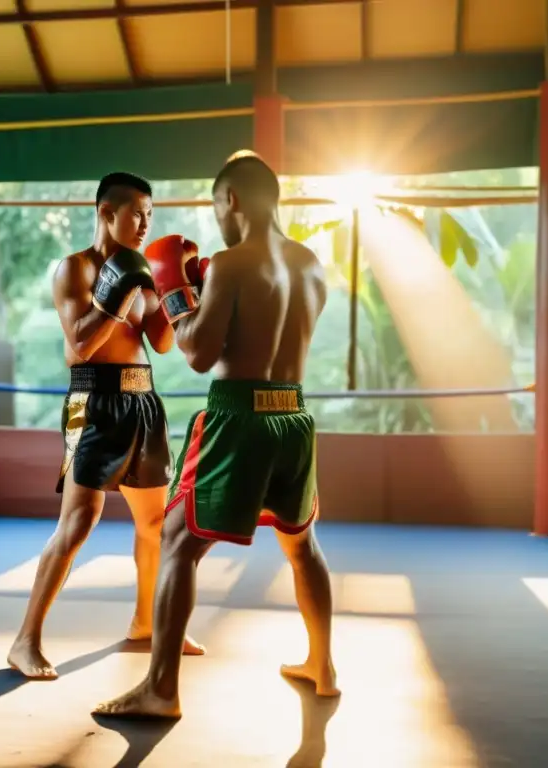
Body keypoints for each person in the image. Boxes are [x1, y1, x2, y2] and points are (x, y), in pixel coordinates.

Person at [94, 151, 338, 719]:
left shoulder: (230, 264)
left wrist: (175, 290)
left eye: (216, 206)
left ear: (230, 200)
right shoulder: (312, 265)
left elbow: (200, 355)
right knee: (303, 545)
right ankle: (322, 666)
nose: (218, 220)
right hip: (294, 416)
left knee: (177, 542)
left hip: (239, 416)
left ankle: (160, 689)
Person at [8, 172, 204, 680]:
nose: (144, 225)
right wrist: (118, 290)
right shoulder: (73, 269)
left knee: (156, 525)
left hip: (143, 401)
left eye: (150, 215)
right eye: (136, 213)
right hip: (91, 400)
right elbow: (79, 347)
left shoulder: (143, 270)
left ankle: (149, 622)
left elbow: (161, 343)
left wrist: (182, 290)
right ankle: (24, 641)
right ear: (106, 213)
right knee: (77, 524)